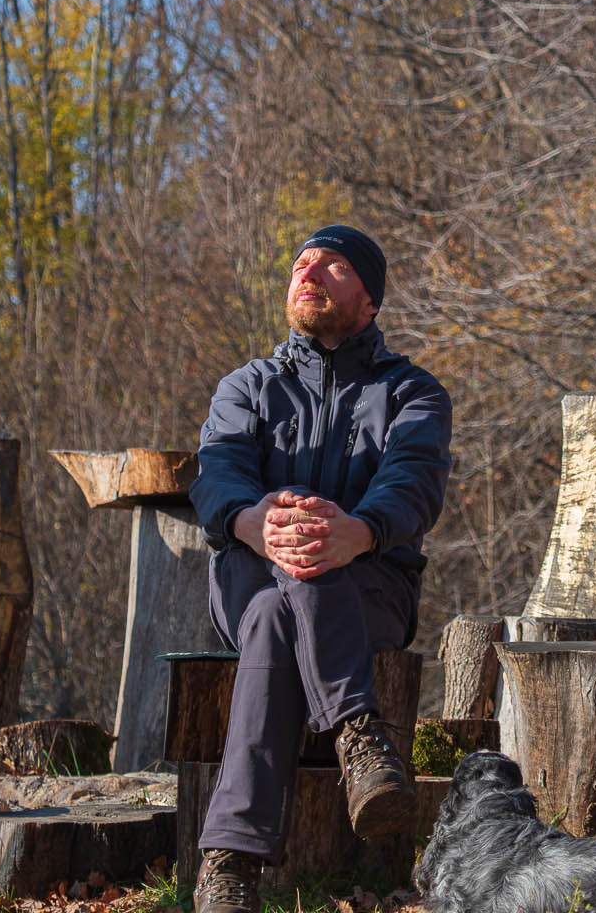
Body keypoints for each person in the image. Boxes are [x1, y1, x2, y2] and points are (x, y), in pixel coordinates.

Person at [189, 225, 452, 913]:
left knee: (288, 604)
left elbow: (414, 483)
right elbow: (216, 477)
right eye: (301, 263)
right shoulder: (246, 386)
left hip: (373, 587)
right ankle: (360, 739)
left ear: (369, 301)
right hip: (246, 581)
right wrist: (255, 523)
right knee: (280, 586)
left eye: (331, 266)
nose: (308, 272)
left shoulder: (413, 392)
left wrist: (358, 532)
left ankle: (228, 868)